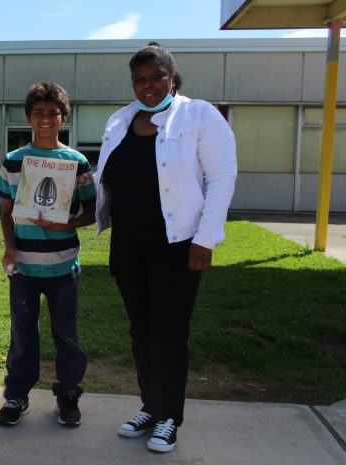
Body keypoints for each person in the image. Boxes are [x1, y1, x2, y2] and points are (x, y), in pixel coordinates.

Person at [94, 42, 237, 452]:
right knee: (140, 330)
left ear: (172, 77)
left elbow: (222, 178)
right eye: (139, 79)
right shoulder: (121, 119)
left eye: (156, 76)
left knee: (169, 332)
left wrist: (206, 240)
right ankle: (150, 406)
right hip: (127, 244)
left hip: (177, 245)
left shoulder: (198, 116)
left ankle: (170, 416)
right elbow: (107, 176)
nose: (148, 85)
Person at [0, 83, 96, 427]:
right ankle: (17, 395)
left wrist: (66, 224)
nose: (46, 119)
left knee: (66, 333)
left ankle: (68, 394)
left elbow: (93, 212)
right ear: (28, 118)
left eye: (53, 113)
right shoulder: (13, 160)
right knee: (23, 334)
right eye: (39, 113)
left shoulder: (76, 161)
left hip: (64, 265)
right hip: (23, 266)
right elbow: (6, 212)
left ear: (64, 117)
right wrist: (10, 248)